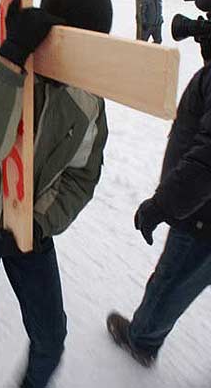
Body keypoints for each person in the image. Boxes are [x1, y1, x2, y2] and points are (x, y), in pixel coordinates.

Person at [0, 0, 113, 388]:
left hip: (31, 230)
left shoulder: (88, 98)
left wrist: (38, 222)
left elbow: (82, 176)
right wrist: (11, 62)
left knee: (51, 338)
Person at [106, 35, 211, 368]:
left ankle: (142, 339)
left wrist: (163, 205)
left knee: (173, 279)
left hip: (200, 213)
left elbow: (207, 160)